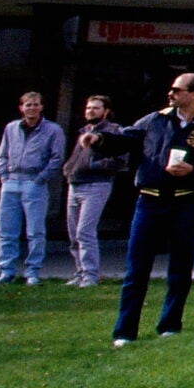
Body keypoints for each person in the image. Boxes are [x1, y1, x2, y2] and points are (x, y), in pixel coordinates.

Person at [112, 73, 194, 345]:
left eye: (177, 89)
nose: (171, 93)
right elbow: (126, 138)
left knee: (180, 266)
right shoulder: (156, 119)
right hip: (149, 200)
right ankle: (124, 331)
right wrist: (99, 141)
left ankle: (170, 324)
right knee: (136, 268)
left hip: (184, 201)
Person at [0, 93, 65, 287]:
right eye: (28, 105)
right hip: (11, 182)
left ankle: (33, 272)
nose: (31, 108)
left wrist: (40, 179)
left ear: (41, 107)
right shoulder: (11, 128)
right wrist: (3, 176)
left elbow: (56, 158)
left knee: (35, 231)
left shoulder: (53, 130)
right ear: (21, 108)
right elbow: (2, 154)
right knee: (6, 230)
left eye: (35, 105)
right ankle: (6, 271)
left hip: (34, 182)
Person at [62, 94, 130, 288]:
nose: (90, 111)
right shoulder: (83, 131)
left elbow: (121, 160)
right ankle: (80, 271)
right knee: (74, 232)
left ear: (106, 111)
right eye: (88, 108)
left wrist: (95, 164)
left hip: (97, 184)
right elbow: (77, 154)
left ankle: (91, 274)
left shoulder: (114, 131)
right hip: (75, 183)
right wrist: (69, 168)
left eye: (95, 108)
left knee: (85, 231)